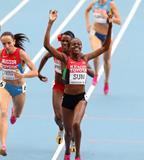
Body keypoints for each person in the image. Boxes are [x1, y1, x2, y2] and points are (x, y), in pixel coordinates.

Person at [44, 10, 112, 160]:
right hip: (67, 99)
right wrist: (50, 23)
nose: (76, 46)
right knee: (68, 132)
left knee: (76, 125)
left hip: (80, 98)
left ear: (81, 47)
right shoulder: (64, 58)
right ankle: (68, 151)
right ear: (70, 47)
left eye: (79, 44)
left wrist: (110, 25)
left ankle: (78, 154)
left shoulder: (85, 58)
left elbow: (105, 47)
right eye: (73, 44)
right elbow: (47, 46)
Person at [0, 32, 38, 156]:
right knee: (3, 112)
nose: (6, 46)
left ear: (14, 41)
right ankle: (3, 145)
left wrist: (22, 75)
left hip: (19, 88)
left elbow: (35, 72)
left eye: (9, 43)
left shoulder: (21, 54)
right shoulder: (2, 52)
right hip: (5, 86)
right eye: (4, 44)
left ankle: (14, 112)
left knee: (17, 114)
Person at [38, 31, 94, 148]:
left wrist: (89, 72)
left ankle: (73, 140)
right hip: (59, 86)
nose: (64, 43)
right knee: (58, 116)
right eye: (62, 40)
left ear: (72, 43)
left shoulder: (78, 56)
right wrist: (39, 72)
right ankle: (61, 128)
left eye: (67, 41)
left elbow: (91, 71)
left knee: (73, 121)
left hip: (72, 90)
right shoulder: (57, 52)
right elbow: (45, 56)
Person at [85, 0, 121, 95]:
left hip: (107, 36)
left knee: (106, 60)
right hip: (95, 33)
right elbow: (86, 11)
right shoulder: (94, 3)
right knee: (96, 53)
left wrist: (107, 17)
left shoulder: (111, 5)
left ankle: (106, 81)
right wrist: (88, 24)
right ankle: (96, 74)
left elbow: (119, 21)